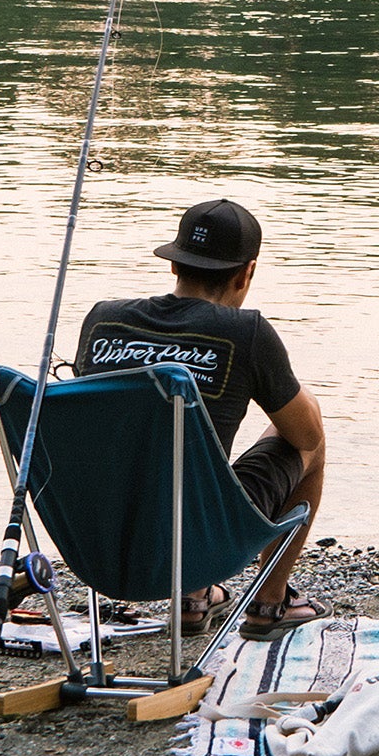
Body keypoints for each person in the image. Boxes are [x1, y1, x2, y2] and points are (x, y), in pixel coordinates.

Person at [74, 197, 327, 640]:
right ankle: (269, 603)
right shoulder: (246, 333)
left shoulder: (103, 320)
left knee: (156, 456)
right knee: (313, 441)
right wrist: (278, 382)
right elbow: (303, 435)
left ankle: (195, 597)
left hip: (102, 544)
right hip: (200, 544)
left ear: (174, 265)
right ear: (246, 272)